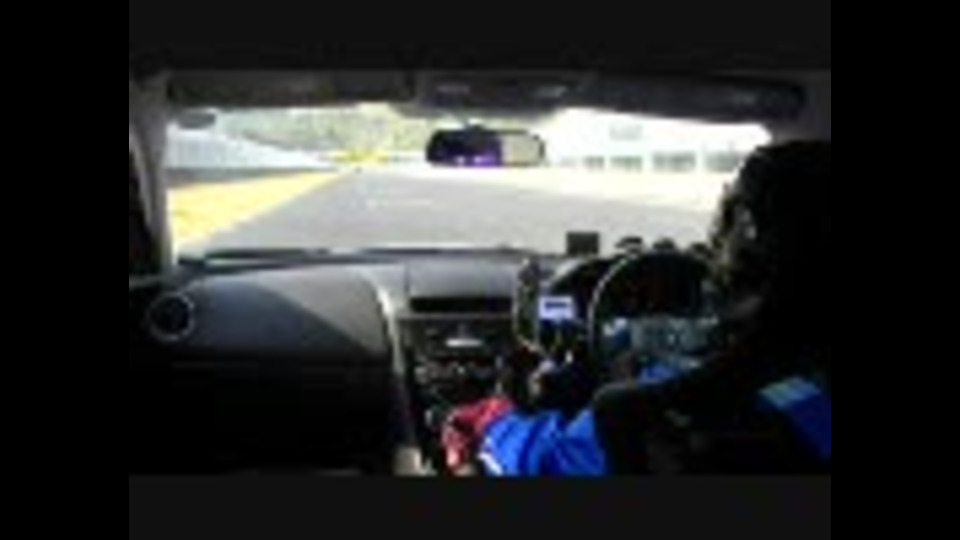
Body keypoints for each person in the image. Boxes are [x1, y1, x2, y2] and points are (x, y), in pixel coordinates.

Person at [440, 140, 832, 476]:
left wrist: (494, 417)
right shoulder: (801, 383)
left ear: (748, 233)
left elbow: (532, 461)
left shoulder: (643, 412)